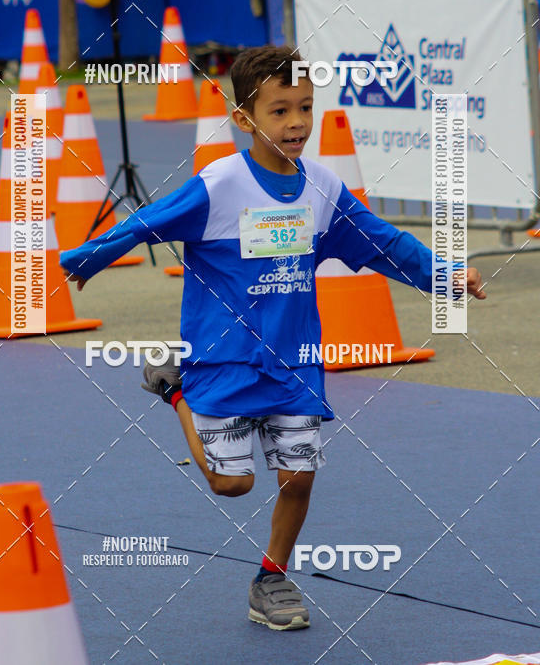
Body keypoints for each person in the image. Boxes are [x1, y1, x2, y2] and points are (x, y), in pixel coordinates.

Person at [60, 45, 486, 632]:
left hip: (294, 359)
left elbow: (383, 241)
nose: (296, 123)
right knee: (231, 483)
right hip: (224, 358)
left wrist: (444, 276)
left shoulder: (324, 188)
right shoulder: (221, 184)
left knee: (298, 477)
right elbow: (147, 222)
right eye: (280, 110)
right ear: (243, 118)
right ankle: (177, 391)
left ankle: (272, 577)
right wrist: (86, 257)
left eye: (305, 108)